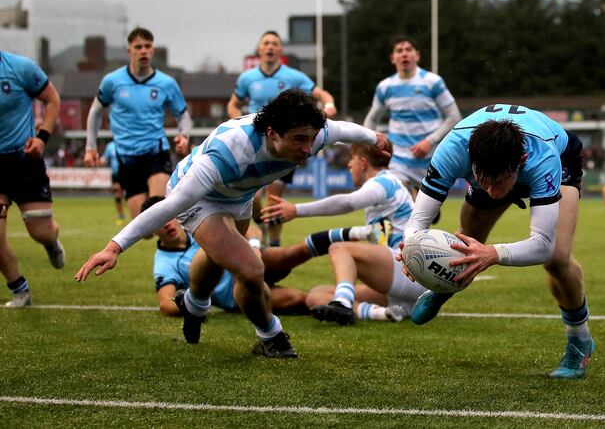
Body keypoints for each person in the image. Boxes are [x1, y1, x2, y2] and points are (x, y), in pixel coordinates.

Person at [76, 90, 390, 359]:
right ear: (271, 133)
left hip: (240, 194)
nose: (308, 149)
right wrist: (114, 247)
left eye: (310, 140)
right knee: (251, 269)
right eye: (299, 141)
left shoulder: (312, 133)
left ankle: (194, 302)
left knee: (219, 254)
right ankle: (271, 335)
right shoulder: (228, 152)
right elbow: (170, 205)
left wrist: (373, 137)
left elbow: (342, 130)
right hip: (201, 199)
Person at [397, 104, 594, 379]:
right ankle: (444, 286)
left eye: (498, 182)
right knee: (468, 237)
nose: (490, 191)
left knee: (557, 259)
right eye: (482, 180)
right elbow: (416, 224)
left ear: (522, 160)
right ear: (471, 159)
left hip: (561, 157)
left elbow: (542, 244)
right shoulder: (452, 149)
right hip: (498, 161)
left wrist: (494, 253)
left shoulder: (541, 158)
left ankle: (579, 340)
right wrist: (410, 248)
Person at [265, 142, 423, 325]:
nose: (349, 164)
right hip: (401, 280)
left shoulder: (383, 181)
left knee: (339, 249)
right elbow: (382, 237)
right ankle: (382, 313)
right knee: (317, 296)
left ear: (363, 163)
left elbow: (347, 202)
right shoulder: (387, 187)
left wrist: (296, 210)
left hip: (408, 271)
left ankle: (343, 304)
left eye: (352, 159)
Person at [227, 30, 337, 248]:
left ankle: (274, 245)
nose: (270, 47)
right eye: (266, 43)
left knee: (274, 198)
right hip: (256, 145)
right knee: (255, 197)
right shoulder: (247, 78)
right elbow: (233, 104)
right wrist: (237, 123)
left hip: (284, 146)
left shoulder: (293, 76)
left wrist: (329, 105)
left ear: (280, 50)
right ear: (259, 49)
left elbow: (323, 95)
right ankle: (260, 226)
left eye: (274, 43)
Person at [83, 27, 191, 219]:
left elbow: (183, 115)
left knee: (159, 216)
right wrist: (90, 147)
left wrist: (184, 136)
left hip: (156, 154)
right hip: (127, 159)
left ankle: (188, 244)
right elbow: (95, 112)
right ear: (129, 51)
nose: (143, 51)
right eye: (138, 47)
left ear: (153, 50)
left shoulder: (166, 83)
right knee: (143, 225)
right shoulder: (112, 81)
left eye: (147, 46)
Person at [142, 197, 307, 317]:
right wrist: (195, 305)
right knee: (298, 298)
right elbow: (166, 305)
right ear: (152, 230)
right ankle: (329, 300)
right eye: (158, 222)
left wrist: (254, 246)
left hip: (245, 260)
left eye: (167, 216)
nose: (166, 224)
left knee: (289, 255)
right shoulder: (165, 263)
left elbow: (251, 231)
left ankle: (329, 240)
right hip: (235, 295)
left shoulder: (197, 226)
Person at [363, 35, 461, 207]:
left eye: (408, 50)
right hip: (398, 159)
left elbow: (454, 116)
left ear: (417, 55)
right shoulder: (385, 87)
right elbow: (372, 118)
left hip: (430, 157)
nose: (404, 54)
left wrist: (429, 141)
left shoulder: (432, 82)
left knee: (426, 213)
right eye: (399, 51)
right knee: (397, 204)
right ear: (393, 58)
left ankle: (418, 198)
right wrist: (368, 142)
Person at [1, 50, 65, 307]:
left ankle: (51, 241)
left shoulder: (20, 68)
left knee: (40, 232)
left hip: (24, 159)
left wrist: (42, 138)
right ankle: (20, 290)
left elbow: (52, 100)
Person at [101, 140, 126, 225]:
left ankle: (131, 214)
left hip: (126, 173)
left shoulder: (126, 143)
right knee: (117, 194)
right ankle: (120, 216)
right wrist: (100, 161)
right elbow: (105, 158)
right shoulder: (110, 146)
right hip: (115, 175)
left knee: (125, 194)